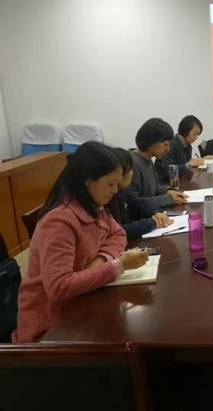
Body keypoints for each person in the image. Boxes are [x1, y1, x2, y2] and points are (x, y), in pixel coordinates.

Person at [13, 142, 149, 342]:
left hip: (81, 299)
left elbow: (118, 234)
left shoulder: (94, 205)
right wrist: (117, 265)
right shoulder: (59, 221)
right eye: (110, 184)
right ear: (87, 180)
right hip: (51, 327)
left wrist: (100, 261)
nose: (115, 191)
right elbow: (59, 288)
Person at [108, 148, 173, 240]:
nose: (132, 173)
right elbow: (119, 230)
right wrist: (152, 223)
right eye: (131, 170)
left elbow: (137, 202)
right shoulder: (109, 197)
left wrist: (155, 212)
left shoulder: (122, 190)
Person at [128, 118, 187, 208]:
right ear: (151, 140)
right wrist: (167, 199)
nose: (168, 149)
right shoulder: (132, 164)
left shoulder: (148, 159)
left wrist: (168, 191)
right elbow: (134, 203)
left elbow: (155, 187)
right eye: (165, 144)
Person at [156, 115, 205, 182]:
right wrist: (189, 164)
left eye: (198, 135)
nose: (196, 137)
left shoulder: (188, 146)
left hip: (181, 180)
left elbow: (185, 168)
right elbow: (167, 171)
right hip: (166, 183)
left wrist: (193, 164)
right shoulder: (170, 145)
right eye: (194, 133)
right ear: (185, 130)